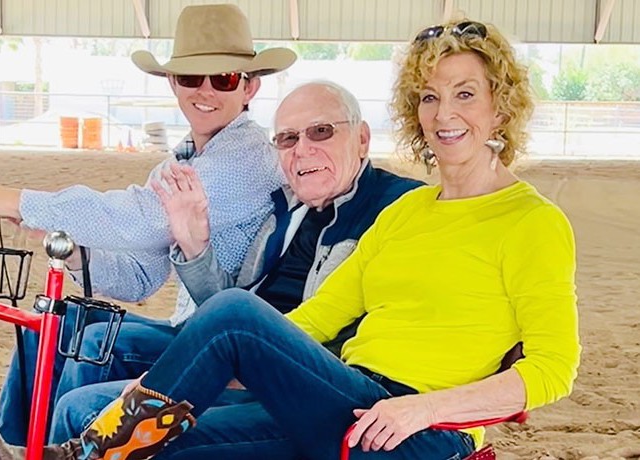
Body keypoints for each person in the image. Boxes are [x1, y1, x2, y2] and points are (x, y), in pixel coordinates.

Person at [0, 19, 580, 460]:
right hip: (346, 397)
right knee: (140, 394)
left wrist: (425, 408)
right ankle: (73, 450)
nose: (444, 113)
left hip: (418, 431)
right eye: (429, 96)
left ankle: (78, 455)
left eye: (465, 94)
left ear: (501, 109)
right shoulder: (411, 214)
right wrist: (183, 378)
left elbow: (554, 371)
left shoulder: (531, 221)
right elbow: (315, 319)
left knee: (234, 312)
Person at [0, 3, 296, 447]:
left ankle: (63, 451)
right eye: (190, 78)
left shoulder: (244, 158)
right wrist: (75, 252)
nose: (205, 91)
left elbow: (138, 219)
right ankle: (18, 448)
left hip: (224, 340)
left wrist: (11, 199)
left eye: (223, 78)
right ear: (173, 83)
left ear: (249, 87)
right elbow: (142, 278)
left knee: (96, 341)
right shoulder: (181, 162)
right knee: (53, 320)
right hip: (190, 325)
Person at [46, 81, 423, 455]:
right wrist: (195, 246)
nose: (302, 151)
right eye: (288, 139)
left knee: (83, 406)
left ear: (362, 138)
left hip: (295, 379)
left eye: (321, 132)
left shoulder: (399, 210)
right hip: (236, 350)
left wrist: (165, 384)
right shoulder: (284, 207)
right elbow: (230, 307)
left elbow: (364, 344)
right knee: (76, 332)